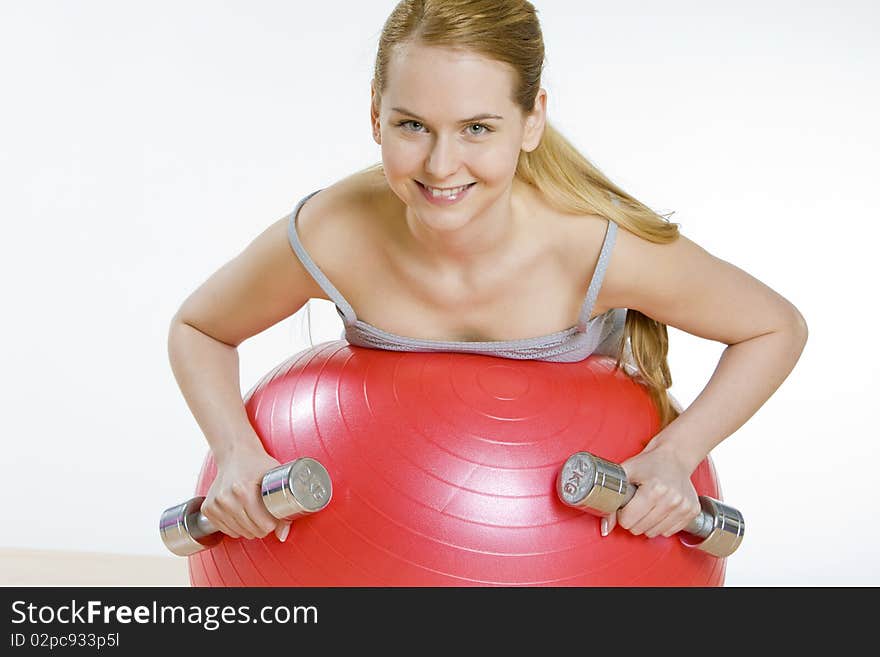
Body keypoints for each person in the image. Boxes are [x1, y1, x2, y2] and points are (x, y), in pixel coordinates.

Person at [167, 0, 808, 550]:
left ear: (532, 121)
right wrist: (235, 452)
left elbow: (773, 327)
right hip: (385, 539)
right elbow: (200, 327)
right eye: (412, 125)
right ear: (374, 117)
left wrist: (677, 453)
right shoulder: (335, 231)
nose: (442, 165)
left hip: (571, 555)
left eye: (477, 128)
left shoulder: (591, 247)